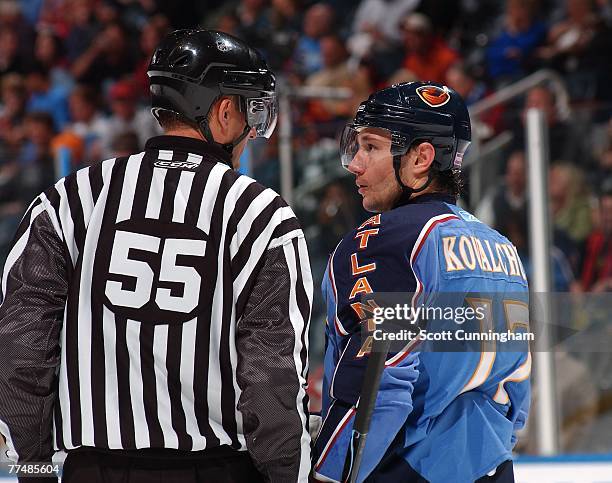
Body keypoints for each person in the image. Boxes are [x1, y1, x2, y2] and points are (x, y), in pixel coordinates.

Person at [0, 29, 312, 483]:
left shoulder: (71, 198)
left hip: (94, 469)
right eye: (252, 113)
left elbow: (19, 346)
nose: (251, 134)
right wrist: (290, 476)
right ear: (225, 111)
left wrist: (32, 465)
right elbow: (272, 373)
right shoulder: (260, 213)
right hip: (217, 469)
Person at [311, 82, 530, 482]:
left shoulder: (387, 238)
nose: (355, 164)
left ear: (420, 158)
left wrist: (328, 474)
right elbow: (517, 389)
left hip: (403, 469)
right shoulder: (502, 248)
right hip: (493, 468)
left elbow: (377, 381)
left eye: (371, 147)